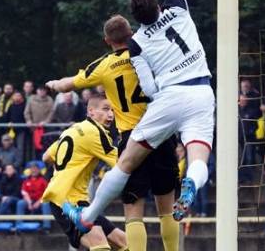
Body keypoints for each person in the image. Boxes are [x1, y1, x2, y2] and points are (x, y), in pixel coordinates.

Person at [61, 0, 215, 232]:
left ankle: (88, 217)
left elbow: (147, 86)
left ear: (135, 19)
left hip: (169, 97)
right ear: (158, 3)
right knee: (199, 157)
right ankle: (190, 187)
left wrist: (163, 101)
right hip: (202, 92)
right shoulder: (178, 8)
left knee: (126, 163)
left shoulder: (137, 42)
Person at [46, 14, 180, 251]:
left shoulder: (104, 65)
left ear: (108, 41)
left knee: (133, 211)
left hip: (133, 140)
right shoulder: (150, 53)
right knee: (167, 210)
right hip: (163, 132)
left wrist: (54, 84)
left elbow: (68, 84)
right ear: (131, 34)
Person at [41, 93, 128, 251]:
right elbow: (122, 164)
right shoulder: (96, 133)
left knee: (124, 242)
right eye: (105, 109)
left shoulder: (73, 129)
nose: (110, 115)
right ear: (91, 111)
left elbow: (46, 157)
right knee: (100, 245)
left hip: (72, 200)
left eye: (113, 110)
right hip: (68, 203)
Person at [16, 162, 51, 234]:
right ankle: (18, 226)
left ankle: (46, 227)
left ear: (39, 170)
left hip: (41, 200)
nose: (33, 170)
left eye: (35, 169)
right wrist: (29, 203)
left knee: (46, 203)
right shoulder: (26, 181)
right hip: (30, 200)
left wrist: (38, 202)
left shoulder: (43, 180)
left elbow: (47, 193)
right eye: (32, 169)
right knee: (20, 203)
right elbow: (24, 192)